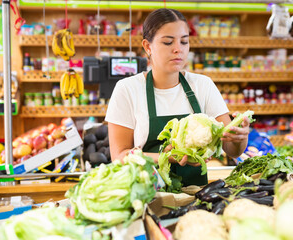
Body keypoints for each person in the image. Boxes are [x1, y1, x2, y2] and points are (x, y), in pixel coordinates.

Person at [105, 8, 250, 186]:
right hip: (147, 195)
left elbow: (233, 151)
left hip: (197, 196)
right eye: (167, 42)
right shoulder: (127, 89)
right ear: (147, 46)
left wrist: (240, 138)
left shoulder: (203, 85)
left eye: (184, 42)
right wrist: (167, 157)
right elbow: (119, 157)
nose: (178, 49)